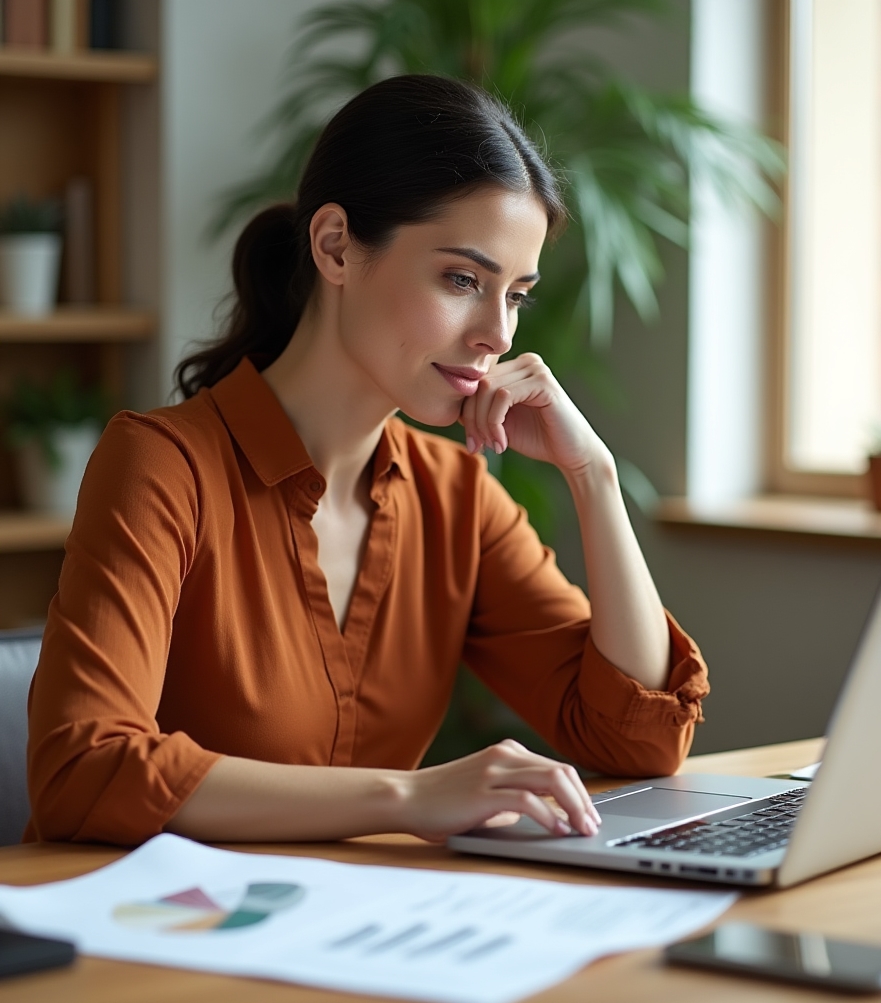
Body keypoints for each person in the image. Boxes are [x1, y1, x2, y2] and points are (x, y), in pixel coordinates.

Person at [25, 75, 709, 847]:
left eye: (516, 295)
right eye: (462, 280)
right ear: (336, 247)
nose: (497, 334)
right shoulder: (163, 466)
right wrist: (406, 797)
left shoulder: (457, 497)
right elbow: (82, 771)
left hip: (370, 914)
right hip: (163, 916)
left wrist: (594, 476)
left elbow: (640, 739)